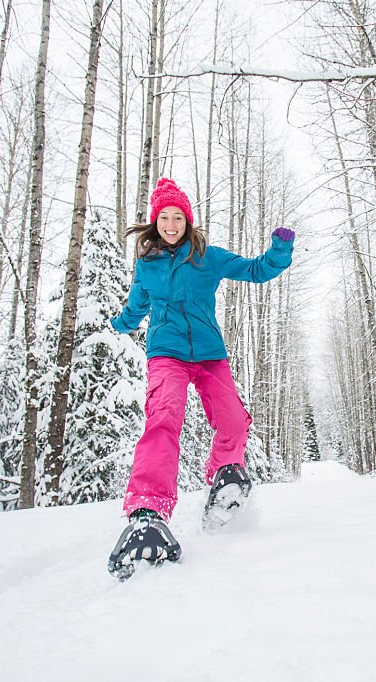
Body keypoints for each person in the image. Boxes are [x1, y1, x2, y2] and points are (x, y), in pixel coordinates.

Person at [106, 177, 295, 580]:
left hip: (209, 355)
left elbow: (256, 270)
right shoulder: (148, 265)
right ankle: (148, 510)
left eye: (177, 217)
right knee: (163, 417)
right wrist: (120, 324)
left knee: (233, 420)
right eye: (164, 217)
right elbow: (135, 307)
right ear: (154, 222)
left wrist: (279, 250)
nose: (171, 224)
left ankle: (225, 476)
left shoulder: (206, 256)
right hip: (166, 355)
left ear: (188, 221)